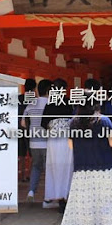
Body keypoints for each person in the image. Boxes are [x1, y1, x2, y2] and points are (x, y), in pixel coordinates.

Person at [59, 100, 112, 225]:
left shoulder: (73, 122)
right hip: (104, 167)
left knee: (87, 202)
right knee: (106, 200)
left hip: (82, 169)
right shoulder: (104, 120)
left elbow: (71, 145)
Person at [41, 79, 73, 211]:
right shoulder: (69, 103)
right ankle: (67, 196)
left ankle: (57, 196)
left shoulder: (50, 104)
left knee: (54, 167)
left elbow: (43, 123)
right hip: (66, 139)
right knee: (68, 167)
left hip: (53, 140)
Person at [22, 79, 53, 201]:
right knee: (48, 170)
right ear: (48, 90)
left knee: (36, 167)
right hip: (47, 142)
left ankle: (31, 191)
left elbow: (23, 123)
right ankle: (47, 197)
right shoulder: (51, 103)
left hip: (33, 142)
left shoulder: (31, 104)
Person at [18, 78, 37, 182]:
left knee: (21, 153)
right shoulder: (34, 100)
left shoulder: (19, 98)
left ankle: (22, 174)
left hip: (19, 127)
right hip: (31, 127)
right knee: (31, 153)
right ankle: (30, 173)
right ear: (34, 88)